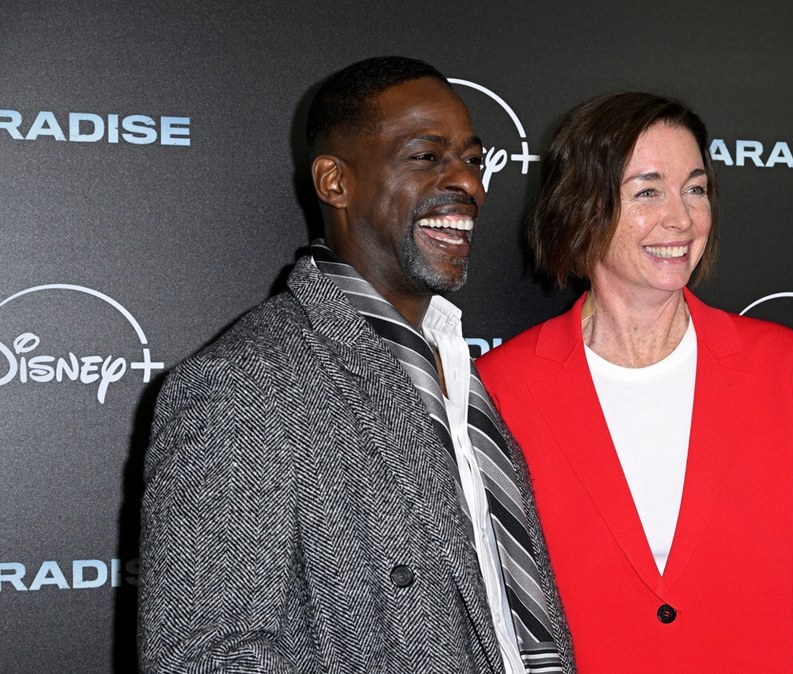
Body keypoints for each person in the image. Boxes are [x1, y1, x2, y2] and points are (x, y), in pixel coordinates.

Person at [136, 56, 575, 674]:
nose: (469, 184)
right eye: (426, 156)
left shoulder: (458, 362)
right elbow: (206, 660)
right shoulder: (242, 384)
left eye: (473, 161)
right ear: (334, 182)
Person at [475, 91, 793, 673]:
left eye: (696, 188)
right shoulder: (501, 386)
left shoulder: (784, 370)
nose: (682, 218)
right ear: (582, 207)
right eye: (647, 191)